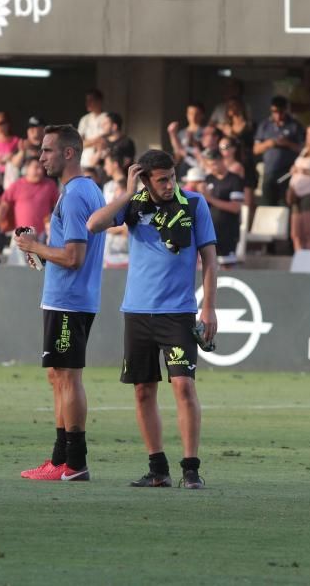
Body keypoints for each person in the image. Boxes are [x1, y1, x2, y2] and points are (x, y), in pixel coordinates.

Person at [86, 149, 218, 490]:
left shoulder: (194, 204)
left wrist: (209, 308)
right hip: (137, 312)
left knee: (184, 387)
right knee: (143, 390)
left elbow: (210, 260)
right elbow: (94, 224)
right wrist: (128, 193)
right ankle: (157, 469)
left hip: (178, 313)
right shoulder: (134, 205)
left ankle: (191, 469)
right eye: (161, 180)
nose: (169, 184)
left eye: (172, 177)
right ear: (144, 179)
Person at [15, 125, 106, 482]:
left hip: (69, 299)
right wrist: (38, 247)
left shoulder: (74, 196)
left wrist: (34, 248)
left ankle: (75, 462)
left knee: (68, 377)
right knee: (58, 376)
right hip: (66, 299)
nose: (41, 157)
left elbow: (73, 257)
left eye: (47, 150)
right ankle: (60, 458)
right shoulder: (83, 191)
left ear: (69, 153)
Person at [253, 96, 305, 206]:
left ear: (286, 110)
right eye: (274, 111)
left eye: (280, 111)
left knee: (284, 205)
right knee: (267, 205)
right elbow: (256, 149)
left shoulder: (295, 125)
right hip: (269, 172)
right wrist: (269, 143)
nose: (277, 115)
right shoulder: (265, 125)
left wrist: (287, 143)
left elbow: (304, 150)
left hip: (287, 173)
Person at [0, 158, 60, 238]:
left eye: (41, 168)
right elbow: (3, 207)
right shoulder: (17, 185)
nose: (40, 171)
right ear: (27, 169)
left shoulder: (50, 185)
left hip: (43, 235)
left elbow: (59, 207)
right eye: (36, 167)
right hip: (21, 234)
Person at [201, 148, 244, 260]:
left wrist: (210, 198)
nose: (212, 168)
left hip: (228, 231)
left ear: (221, 161)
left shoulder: (235, 180)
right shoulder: (208, 179)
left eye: (214, 164)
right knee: (207, 265)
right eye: (210, 165)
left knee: (227, 265)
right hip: (209, 231)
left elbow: (235, 207)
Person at [78, 89, 105, 170]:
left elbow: (104, 141)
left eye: (91, 100)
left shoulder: (106, 117)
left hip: (101, 162)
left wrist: (87, 141)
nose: (88, 103)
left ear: (99, 101)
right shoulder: (85, 119)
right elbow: (78, 143)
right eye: (87, 100)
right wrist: (95, 141)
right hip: (84, 161)